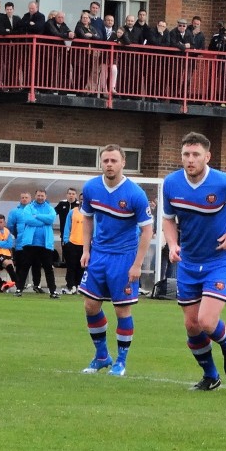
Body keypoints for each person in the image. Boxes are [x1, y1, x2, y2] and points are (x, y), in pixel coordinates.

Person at [162, 132, 226, 390]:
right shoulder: (171, 183)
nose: (190, 160)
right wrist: (172, 244)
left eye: (195, 155)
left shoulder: (224, 182)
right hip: (188, 263)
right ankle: (211, 376)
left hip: (219, 261)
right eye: (186, 155)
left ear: (207, 156)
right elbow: (168, 219)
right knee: (192, 325)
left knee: (206, 321)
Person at [78, 145, 154, 376]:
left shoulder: (135, 194)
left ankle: (121, 361)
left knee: (122, 310)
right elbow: (88, 219)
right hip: (99, 254)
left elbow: (148, 230)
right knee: (90, 306)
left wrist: (137, 264)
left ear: (123, 163)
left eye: (113, 160)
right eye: (105, 160)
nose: (109, 164)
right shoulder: (91, 188)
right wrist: (86, 250)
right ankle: (102, 356)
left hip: (124, 257)